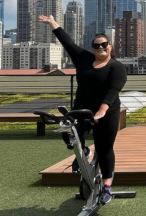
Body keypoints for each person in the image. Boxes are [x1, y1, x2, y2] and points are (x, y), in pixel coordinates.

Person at [39, 14, 127, 205]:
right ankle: (85, 152)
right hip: (82, 109)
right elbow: (67, 42)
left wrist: (102, 111)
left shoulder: (117, 67)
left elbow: (112, 91)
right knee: (69, 136)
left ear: (110, 47)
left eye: (104, 44)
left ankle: (107, 187)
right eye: (96, 45)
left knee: (104, 149)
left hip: (107, 112)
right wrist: (53, 23)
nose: (101, 48)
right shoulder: (84, 59)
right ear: (92, 48)